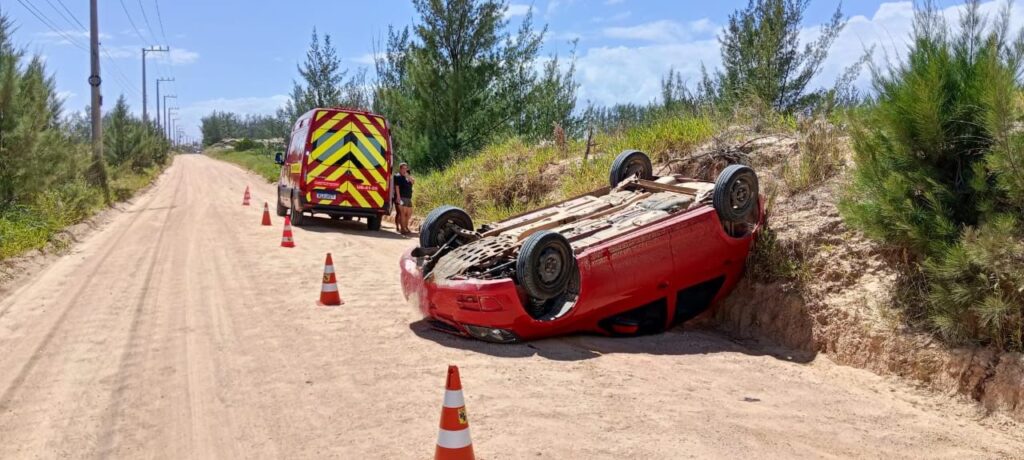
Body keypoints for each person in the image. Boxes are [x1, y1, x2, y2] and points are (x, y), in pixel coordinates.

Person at [393, 163, 415, 234]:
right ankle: (402, 228)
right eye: (403, 168)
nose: (405, 170)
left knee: (409, 214)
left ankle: (405, 226)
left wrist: (407, 176)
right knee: (402, 213)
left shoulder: (407, 177)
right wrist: (398, 197)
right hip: (401, 197)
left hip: (408, 197)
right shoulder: (397, 176)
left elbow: (413, 182)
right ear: (400, 169)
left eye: (406, 168)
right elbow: (397, 187)